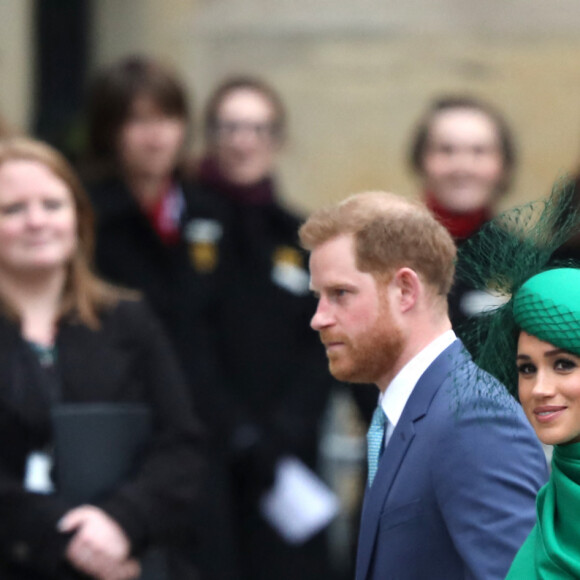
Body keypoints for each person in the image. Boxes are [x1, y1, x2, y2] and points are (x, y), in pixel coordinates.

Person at [299, 190, 548, 580]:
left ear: (405, 291)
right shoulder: (412, 410)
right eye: (318, 297)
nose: (319, 318)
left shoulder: (475, 420)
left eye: (340, 294)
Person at [0, 137, 204, 580]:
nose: (37, 222)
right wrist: (61, 533)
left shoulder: (128, 319)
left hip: (124, 560)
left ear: (78, 217)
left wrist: (120, 520)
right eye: (13, 210)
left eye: (52, 205)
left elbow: (181, 445)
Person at [82, 55, 237, 579]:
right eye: (137, 121)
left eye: (167, 119)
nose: (156, 137)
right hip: (122, 426)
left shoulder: (209, 213)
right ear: (110, 130)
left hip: (204, 429)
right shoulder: (86, 219)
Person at [196, 76, 334, 580]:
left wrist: (284, 430)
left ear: (278, 139)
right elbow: (188, 339)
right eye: (230, 126)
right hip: (207, 456)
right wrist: (237, 431)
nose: (243, 140)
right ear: (210, 135)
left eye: (257, 127)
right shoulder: (188, 228)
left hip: (287, 460)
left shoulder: (300, 237)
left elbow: (322, 339)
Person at [409, 95, 517, 327]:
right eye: (446, 150)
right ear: (420, 161)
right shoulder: (382, 253)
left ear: (503, 165)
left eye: (479, 151)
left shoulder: (524, 261)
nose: (463, 166)